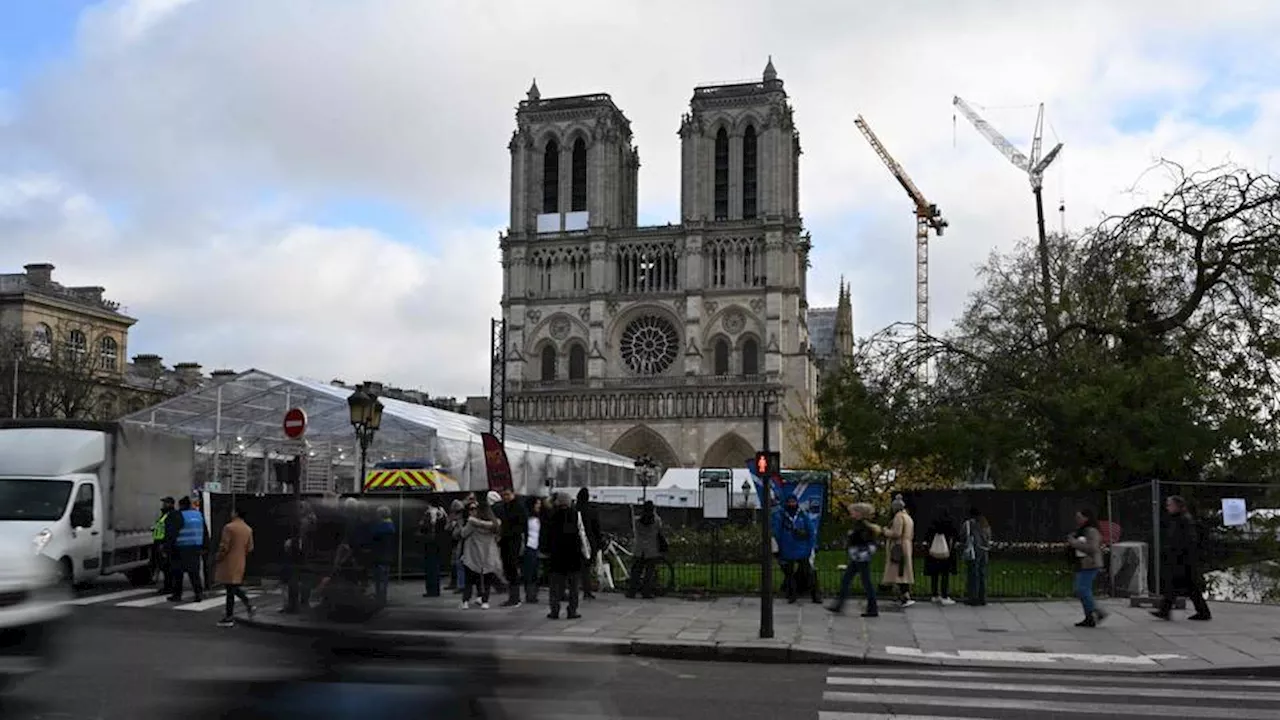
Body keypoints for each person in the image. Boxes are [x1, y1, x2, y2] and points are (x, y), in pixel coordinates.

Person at [1153, 495, 1212, 621]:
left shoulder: (1184, 520)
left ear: (1176, 506)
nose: (1167, 507)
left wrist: (1178, 553)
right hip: (1182, 559)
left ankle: (1165, 611)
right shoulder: (1179, 519)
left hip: (1183, 560)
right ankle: (1201, 612)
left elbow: (1187, 540)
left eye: (1170, 504)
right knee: (1186, 587)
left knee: (1180, 586)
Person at [543, 491, 591, 619]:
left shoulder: (552, 515)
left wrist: (546, 550)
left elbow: (546, 535)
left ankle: (554, 610)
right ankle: (572, 610)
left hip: (556, 556)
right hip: (573, 556)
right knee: (574, 587)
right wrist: (585, 552)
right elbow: (582, 534)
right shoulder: (575, 515)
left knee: (555, 587)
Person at [828, 502, 881, 617]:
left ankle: (872, 608)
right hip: (857, 558)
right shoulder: (859, 525)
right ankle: (839, 605)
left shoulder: (864, 527)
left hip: (861, 558)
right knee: (847, 580)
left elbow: (867, 543)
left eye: (854, 511)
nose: (851, 513)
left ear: (860, 513)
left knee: (865, 583)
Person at [773, 494, 819, 604]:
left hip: (802, 548)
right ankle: (792, 594)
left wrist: (811, 546)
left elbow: (811, 531)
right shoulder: (781, 515)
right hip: (786, 548)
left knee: (808, 572)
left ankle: (815, 595)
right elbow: (776, 532)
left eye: (793, 501)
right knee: (789, 573)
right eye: (790, 502)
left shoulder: (803, 514)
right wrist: (777, 548)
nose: (791, 504)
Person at [214, 506, 255, 627]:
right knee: (233, 587)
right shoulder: (248, 529)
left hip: (228, 562)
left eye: (233, 512)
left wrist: (218, 557)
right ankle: (246, 606)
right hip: (240, 561)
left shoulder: (229, 527)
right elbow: (250, 547)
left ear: (236, 513)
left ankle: (230, 616)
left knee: (230, 589)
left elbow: (224, 547)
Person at [1067, 508, 1108, 627]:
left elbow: (1092, 548)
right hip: (1082, 563)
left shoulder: (1091, 530)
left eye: (1079, 517)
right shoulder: (1082, 530)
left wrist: (1074, 542)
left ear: (1087, 518)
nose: (1077, 520)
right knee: (1081, 590)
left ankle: (1098, 612)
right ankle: (1089, 617)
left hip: (1090, 564)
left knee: (1082, 589)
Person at [459, 497, 503, 609]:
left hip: (472, 554)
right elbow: (498, 538)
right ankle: (485, 601)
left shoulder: (472, 523)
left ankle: (465, 601)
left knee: (469, 580)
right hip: (488, 554)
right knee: (487, 579)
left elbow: (463, 534)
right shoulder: (495, 524)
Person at [168, 496, 207, 603]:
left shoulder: (178, 515)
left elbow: (172, 533)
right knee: (194, 573)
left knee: (178, 573)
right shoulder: (198, 515)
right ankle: (198, 593)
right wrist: (204, 547)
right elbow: (205, 532)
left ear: (181, 505)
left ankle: (177, 595)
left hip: (180, 547)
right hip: (195, 547)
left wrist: (167, 547)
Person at [495, 488, 528, 607]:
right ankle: (512, 596)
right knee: (508, 568)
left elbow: (522, 524)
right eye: (503, 495)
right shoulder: (503, 507)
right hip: (505, 541)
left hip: (514, 540)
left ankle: (515, 597)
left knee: (512, 568)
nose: (506, 497)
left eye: (507, 494)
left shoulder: (518, 507)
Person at [881, 494, 915, 607]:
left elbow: (896, 533)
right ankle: (904, 595)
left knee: (899, 572)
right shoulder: (908, 517)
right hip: (907, 544)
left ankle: (905, 596)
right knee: (903, 571)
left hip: (898, 546)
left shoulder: (898, 517)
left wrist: (885, 531)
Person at [627, 500, 665, 599]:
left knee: (636, 572)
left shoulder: (637, 521)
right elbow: (659, 530)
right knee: (649, 573)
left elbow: (634, 525)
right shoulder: (656, 521)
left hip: (639, 549)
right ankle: (646, 592)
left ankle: (632, 591)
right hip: (651, 550)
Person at [924, 510, 959, 606]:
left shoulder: (933, 524)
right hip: (946, 552)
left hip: (934, 553)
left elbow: (927, 537)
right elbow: (955, 536)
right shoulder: (950, 523)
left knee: (934, 575)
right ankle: (944, 595)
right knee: (945, 575)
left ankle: (934, 594)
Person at [961, 507, 991, 607]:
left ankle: (973, 597)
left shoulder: (969, 524)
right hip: (984, 551)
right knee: (982, 574)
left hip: (974, 551)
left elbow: (963, 535)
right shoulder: (985, 524)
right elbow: (988, 537)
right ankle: (982, 597)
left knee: (973, 574)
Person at [576, 487, 603, 600]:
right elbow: (596, 528)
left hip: (576, 541)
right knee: (586, 568)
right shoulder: (591, 510)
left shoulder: (575, 509)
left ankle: (572, 588)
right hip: (589, 541)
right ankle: (587, 590)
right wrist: (599, 543)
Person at [418, 500, 447, 597]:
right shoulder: (442, 513)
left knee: (430, 568)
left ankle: (431, 590)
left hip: (430, 542)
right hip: (440, 542)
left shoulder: (429, 513)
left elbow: (424, 527)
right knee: (436, 567)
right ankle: (436, 590)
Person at [370, 506, 396, 607]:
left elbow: (373, 535)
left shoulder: (382, 527)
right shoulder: (391, 525)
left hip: (380, 556)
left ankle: (380, 599)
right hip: (387, 556)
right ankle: (382, 597)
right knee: (384, 579)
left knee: (380, 579)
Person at [152, 496, 175, 595]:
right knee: (163, 567)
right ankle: (167, 586)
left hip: (163, 544)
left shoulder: (170, 515)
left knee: (167, 568)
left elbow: (169, 531)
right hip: (159, 543)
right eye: (164, 502)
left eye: (166, 503)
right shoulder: (164, 514)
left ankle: (168, 587)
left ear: (171, 504)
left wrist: (164, 544)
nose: (163, 504)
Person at [523, 497, 544, 603]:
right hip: (530, 546)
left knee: (535, 572)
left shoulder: (538, 517)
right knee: (530, 572)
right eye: (537, 503)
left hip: (535, 546)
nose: (539, 506)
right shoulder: (528, 518)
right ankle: (530, 594)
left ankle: (533, 594)